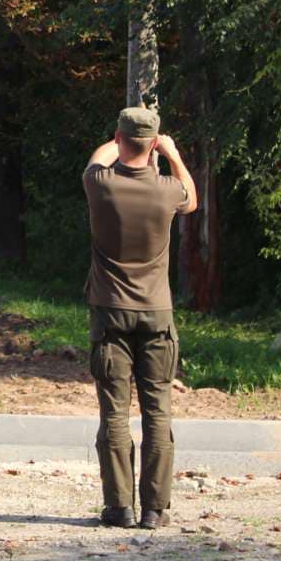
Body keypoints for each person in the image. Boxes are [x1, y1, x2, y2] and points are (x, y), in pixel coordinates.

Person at [83, 106, 198, 530]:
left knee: (114, 414)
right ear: (153, 143)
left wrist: (117, 144)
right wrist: (171, 155)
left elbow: (97, 159)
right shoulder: (167, 190)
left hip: (110, 312)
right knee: (158, 413)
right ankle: (155, 509)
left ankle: (119, 508)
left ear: (118, 138)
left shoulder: (101, 185)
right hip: (156, 314)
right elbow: (193, 197)